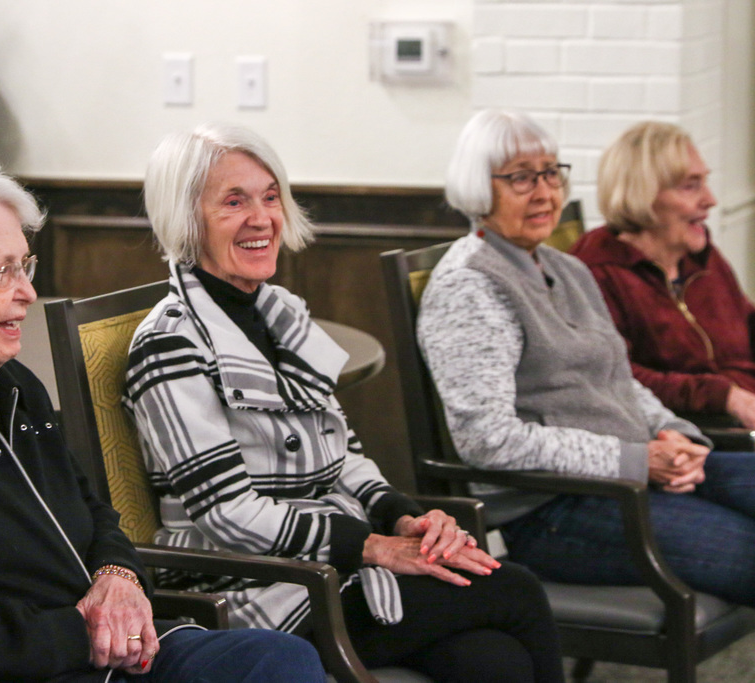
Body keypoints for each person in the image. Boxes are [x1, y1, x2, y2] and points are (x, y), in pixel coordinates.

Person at [0, 147, 326, 683]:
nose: (27, 292)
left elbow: (94, 512)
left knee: (279, 660)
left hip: (107, 655)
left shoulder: (10, 383)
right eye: (0, 272)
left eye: (25, 265)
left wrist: (118, 578)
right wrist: (78, 636)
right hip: (21, 670)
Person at [123, 123, 565, 683]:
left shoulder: (281, 313)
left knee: (491, 662)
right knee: (514, 589)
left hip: (337, 570)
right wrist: (374, 547)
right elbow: (228, 515)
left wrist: (403, 518)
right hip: (260, 594)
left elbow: (346, 454)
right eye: (234, 202)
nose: (262, 218)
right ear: (187, 218)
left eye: (269, 195)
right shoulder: (169, 344)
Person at [417, 109, 755, 607]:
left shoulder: (566, 267)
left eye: (551, 173)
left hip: (631, 475)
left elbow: (620, 379)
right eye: (521, 178)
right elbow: (487, 442)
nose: (544, 192)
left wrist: (675, 434)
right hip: (555, 509)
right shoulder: (470, 286)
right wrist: (637, 461)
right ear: (478, 187)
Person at [569, 121, 755, 430]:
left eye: (704, 182)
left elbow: (746, 323)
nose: (710, 200)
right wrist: (724, 397)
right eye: (690, 186)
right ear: (642, 194)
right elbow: (615, 380)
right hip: (697, 434)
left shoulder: (700, 256)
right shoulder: (596, 273)